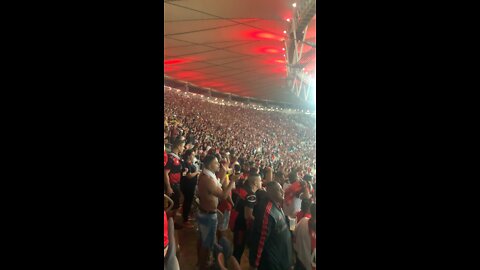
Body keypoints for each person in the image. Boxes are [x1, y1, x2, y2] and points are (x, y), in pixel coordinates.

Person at [197, 155, 236, 270]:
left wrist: (223, 177)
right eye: (216, 163)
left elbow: (217, 186)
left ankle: (200, 262)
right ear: (209, 165)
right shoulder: (207, 179)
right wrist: (232, 181)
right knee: (207, 244)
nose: (218, 165)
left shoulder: (208, 175)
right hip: (208, 216)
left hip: (206, 213)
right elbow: (223, 195)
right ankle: (203, 266)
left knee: (203, 241)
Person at [249, 181, 293, 270]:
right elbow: (260, 240)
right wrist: (255, 264)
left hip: (282, 257)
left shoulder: (276, 204)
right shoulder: (267, 211)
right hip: (273, 262)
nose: (283, 192)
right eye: (279, 190)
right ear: (270, 192)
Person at [231, 173, 262, 263]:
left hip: (236, 222)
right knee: (238, 250)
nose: (261, 182)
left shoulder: (243, 189)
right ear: (255, 182)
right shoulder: (251, 195)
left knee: (236, 248)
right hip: (241, 226)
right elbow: (248, 215)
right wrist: (259, 222)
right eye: (260, 180)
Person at [164, 139, 186, 228]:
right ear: (179, 146)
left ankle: (172, 222)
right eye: (183, 146)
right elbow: (165, 173)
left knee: (176, 204)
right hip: (172, 185)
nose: (184, 148)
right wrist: (168, 187)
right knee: (171, 205)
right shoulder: (170, 158)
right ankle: (169, 224)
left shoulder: (176, 157)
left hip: (176, 184)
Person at [180, 149, 201, 228]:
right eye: (193, 155)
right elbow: (188, 176)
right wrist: (197, 172)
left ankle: (186, 216)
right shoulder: (186, 163)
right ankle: (185, 220)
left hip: (190, 186)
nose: (194, 156)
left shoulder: (189, 163)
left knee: (188, 202)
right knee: (187, 202)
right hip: (187, 187)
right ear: (189, 156)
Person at [293, 204, 316, 270]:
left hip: (300, 260)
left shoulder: (303, 221)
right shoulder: (303, 221)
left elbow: (294, 235)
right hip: (309, 266)